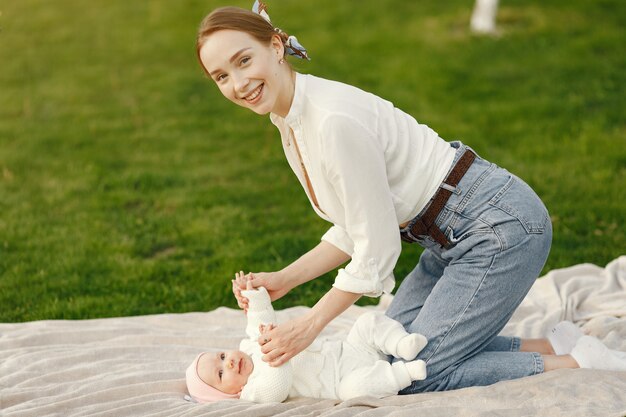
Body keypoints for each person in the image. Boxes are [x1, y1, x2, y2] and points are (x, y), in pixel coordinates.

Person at [196, 2, 626, 393]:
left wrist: (310, 324)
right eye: (221, 76)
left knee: (414, 372)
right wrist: (284, 280)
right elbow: (356, 224)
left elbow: (378, 246)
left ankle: (579, 360)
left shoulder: (331, 123)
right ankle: (553, 340)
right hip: (447, 237)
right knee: (388, 351)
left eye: (244, 60)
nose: (238, 83)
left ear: (275, 47)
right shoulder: (292, 118)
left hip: (499, 227)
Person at [186, 272, 429, 403]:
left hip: (350, 349)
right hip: (344, 379)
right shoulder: (252, 391)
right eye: (220, 373)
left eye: (221, 356)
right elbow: (276, 389)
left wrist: (252, 294)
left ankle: (400, 343)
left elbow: (259, 317)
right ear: (229, 394)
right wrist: (275, 353)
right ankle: (403, 374)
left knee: (366, 322)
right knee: (353, 392)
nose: (227, 362)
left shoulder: (251, 345)